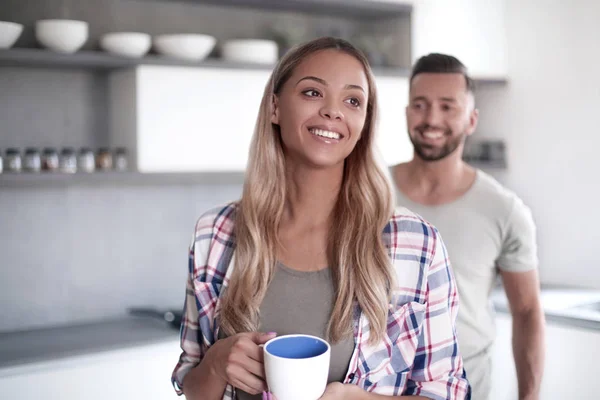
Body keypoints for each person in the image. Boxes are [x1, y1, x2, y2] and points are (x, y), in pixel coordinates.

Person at [171, 37, 470, 400]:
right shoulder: (214, 235)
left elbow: (448, 393)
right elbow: (192, 384)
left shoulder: (416, 244)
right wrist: (217, 364)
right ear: (275, 108)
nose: (333, 111)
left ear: (364, 123)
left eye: (352, 100)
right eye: (312, 92)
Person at [391, 53, 545, 400]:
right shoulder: (365, 192)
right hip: (373, 389)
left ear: (472, 119)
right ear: (406, 113)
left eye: (448, 107)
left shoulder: (504, 210)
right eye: (420, 104)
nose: (431, 118)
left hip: (469, 386)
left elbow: (527, 311)